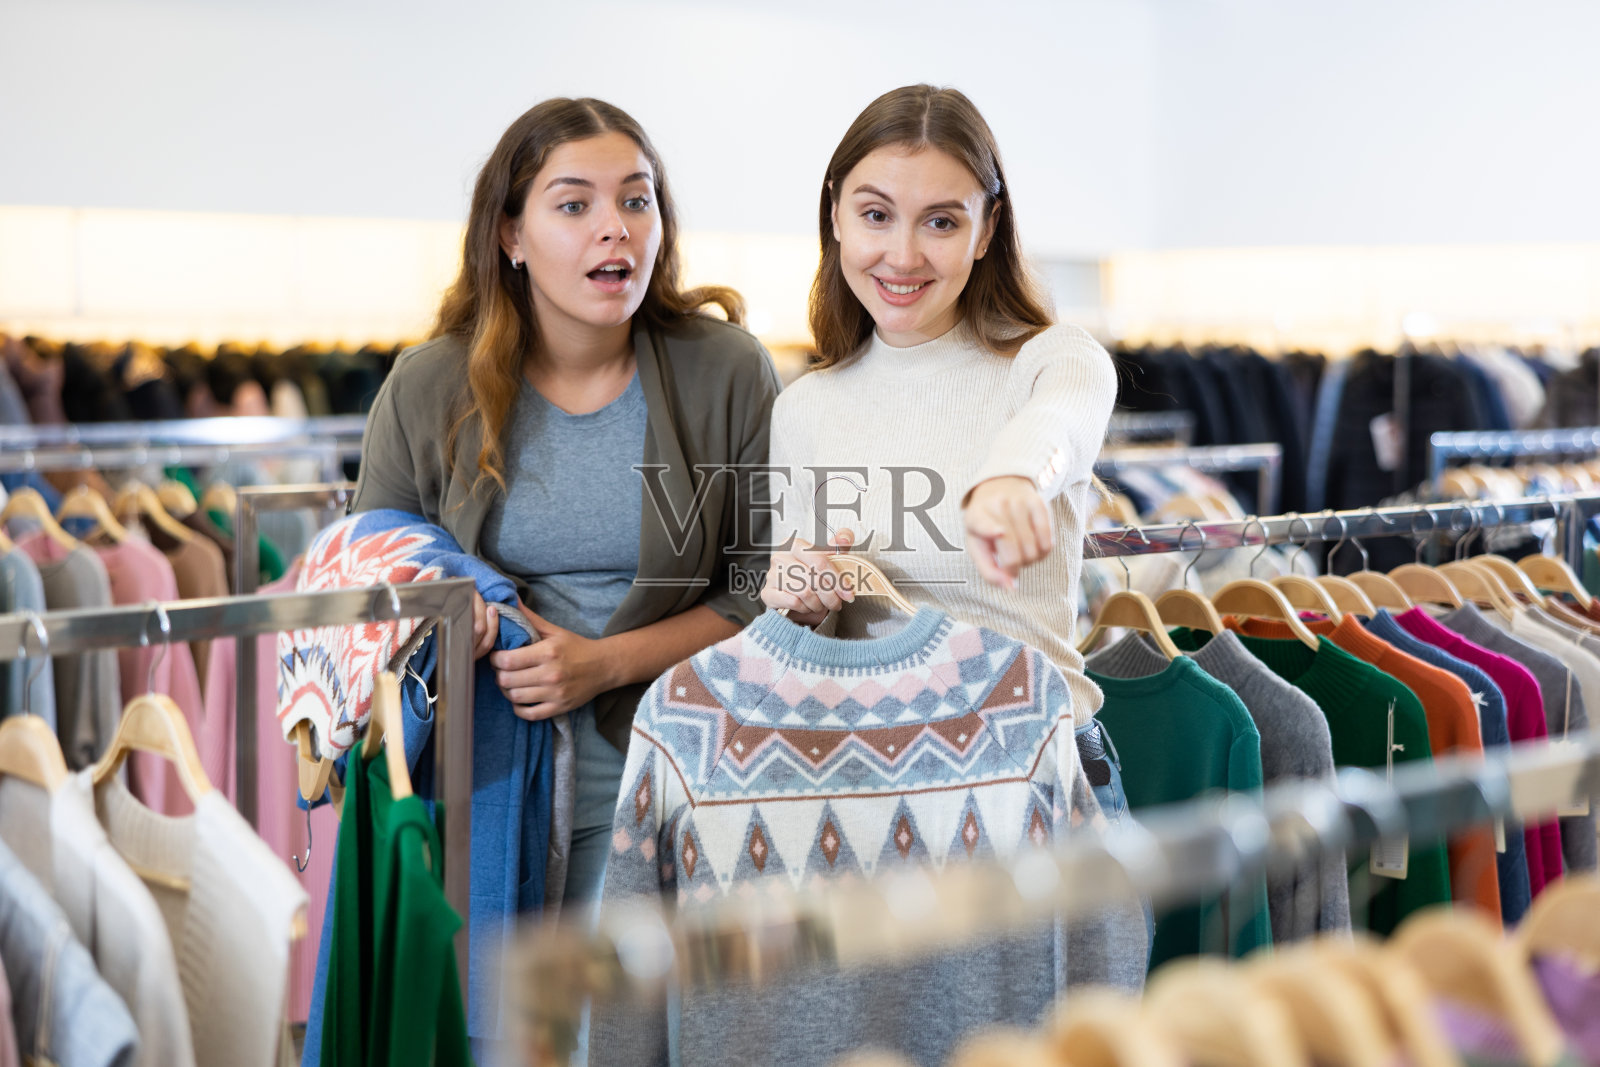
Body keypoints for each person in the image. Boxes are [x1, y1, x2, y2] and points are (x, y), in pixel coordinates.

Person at [353, 96, 781, 913]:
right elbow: (371, 574)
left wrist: (603, 664)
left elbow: (771, 588)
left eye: (636, 197)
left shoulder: (725, 371)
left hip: (680, 779)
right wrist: (446, 613)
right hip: (482, 784)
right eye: (574, 203)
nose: (614, 226)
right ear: (510, 235)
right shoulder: (427, 385)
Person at [760, 83, 1118, 724]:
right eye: (875, 215)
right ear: (835, 215)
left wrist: (1012, 481)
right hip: (869, 771)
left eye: (941, 222)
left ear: (987, 232)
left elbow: (1058, 423)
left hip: (1028, 768)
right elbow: (803, 649)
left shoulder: (1054, 359)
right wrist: (801, 603)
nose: (902, 256)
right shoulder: (803, 408)